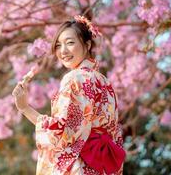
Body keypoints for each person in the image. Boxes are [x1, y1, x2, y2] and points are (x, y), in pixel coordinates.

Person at [12, 15, 126, 175]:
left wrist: (25, 108)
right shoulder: (105, 82)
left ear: (87, 44)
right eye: (58, 45)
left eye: (70, 43)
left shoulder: (75, 78)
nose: (63, 51)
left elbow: (64, 132)